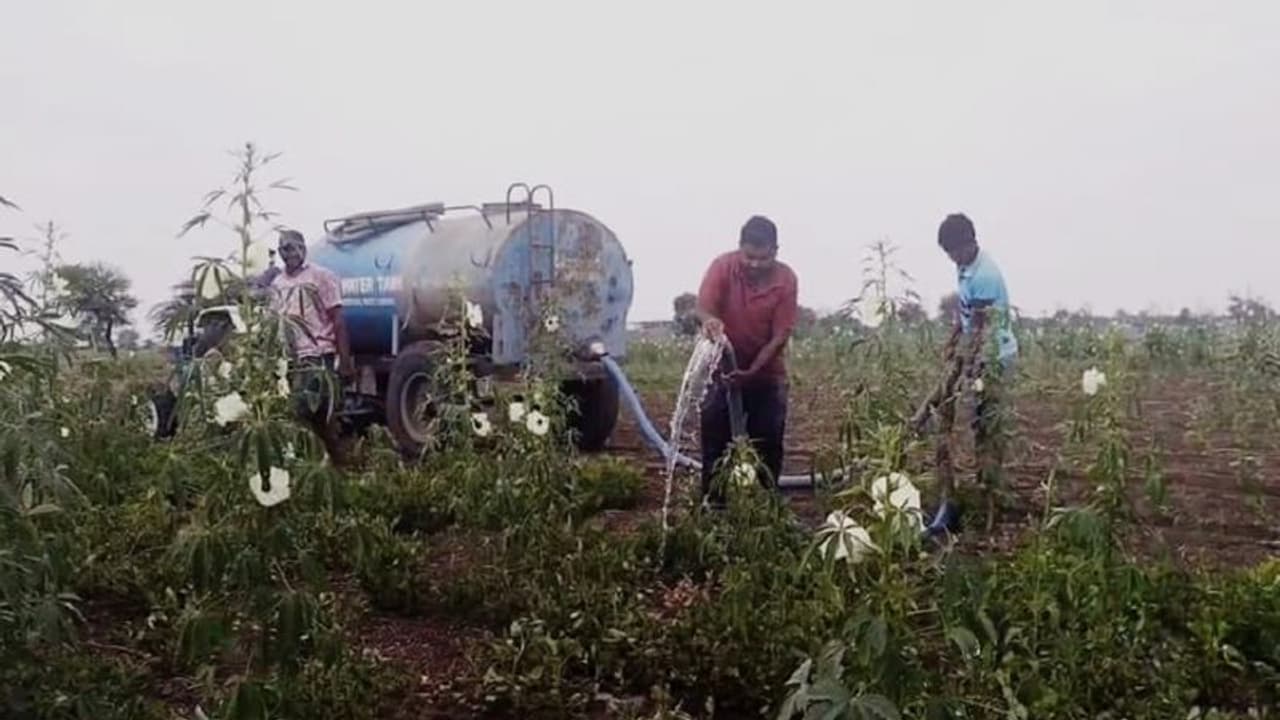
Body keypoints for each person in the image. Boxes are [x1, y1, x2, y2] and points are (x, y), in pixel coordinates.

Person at [911, 213, 1018, 532]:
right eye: (949, 253)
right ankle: (960, 492)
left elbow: (983, 331)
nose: (953, 258)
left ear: (971, 242)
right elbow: (965, 312)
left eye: (956, 251)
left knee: (988, 426)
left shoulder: (985, 274)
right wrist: (953, 340)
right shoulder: (965, 267)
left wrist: (967, 370)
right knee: (963, 414)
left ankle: (990, 497)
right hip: (976, 349)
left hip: (995, 358)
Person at [696, 215, 799, 507]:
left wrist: (751, 371)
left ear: (775, 251)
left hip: (766, 373)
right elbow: (704, 308)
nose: (753, 264)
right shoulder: (723, 267)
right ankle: (713, 507)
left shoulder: (786, 279)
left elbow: (780, 335)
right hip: (721, 372)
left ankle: (767, 508)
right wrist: (711, 321)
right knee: (716, 441)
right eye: (748, 257)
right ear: (740, 248)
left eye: (762, 258)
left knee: (767, 443)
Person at [270, 229, 354, 462]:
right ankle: (326, 465)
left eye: (293, 248)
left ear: (303, 249)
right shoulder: (278, 283)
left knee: (309, 413)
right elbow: (276, 323)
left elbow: (338, 319)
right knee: (312, 419)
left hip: (318, 356)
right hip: (291, 359)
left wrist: (345, 361)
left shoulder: (321, 277)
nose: (288, 254)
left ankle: (333, 465)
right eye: (283, 249)